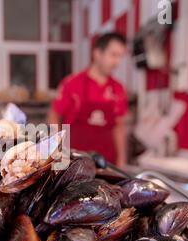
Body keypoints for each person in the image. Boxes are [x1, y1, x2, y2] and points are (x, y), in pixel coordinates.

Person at [48, 32, 128, 167]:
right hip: (74, 163)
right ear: (97, 53)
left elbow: (119, 127)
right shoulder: (72, 84)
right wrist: (57, 153)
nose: (117, 62)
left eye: (120, 56)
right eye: (113, 55)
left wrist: (122, 161)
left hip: (107, 165)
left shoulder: (118, 89)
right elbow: (54, 118)